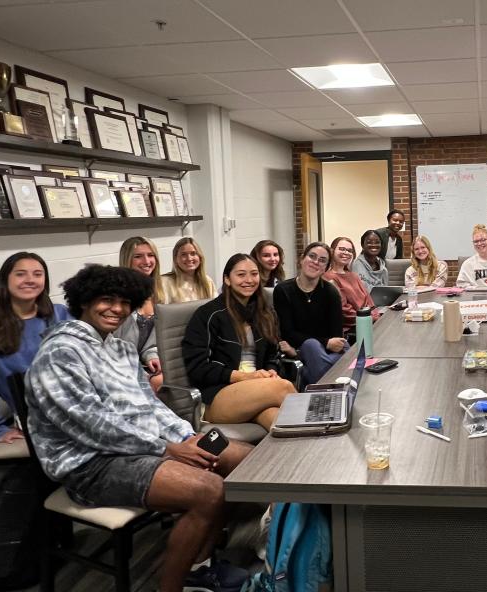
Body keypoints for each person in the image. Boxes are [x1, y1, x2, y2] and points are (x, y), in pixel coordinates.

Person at [25, 265, 251, 592]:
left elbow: (151, 406)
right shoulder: (61, 351)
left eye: (124, 302)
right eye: (106, 300)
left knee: (242, 458)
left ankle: (200, 565)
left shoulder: (121, 348)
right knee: (209, 490)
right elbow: (91, 425)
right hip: (89, 464)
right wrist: (166, 448)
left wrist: (186, 437)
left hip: (139, 448)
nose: (117, 309)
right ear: (84, 301)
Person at [0, 252, 70, 444]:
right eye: (20, 274)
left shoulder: (60, 314)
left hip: (80, 405)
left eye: (37, 274)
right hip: (37, 419)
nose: (30, 280)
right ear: (5, 280)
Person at [182, 254, 297, 431]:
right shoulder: (208, 314)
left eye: (254, 274)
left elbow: (273, 355)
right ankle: (322, 425)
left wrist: (271, 372)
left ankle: (297, 457)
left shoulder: (266, 313)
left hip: (258, 390)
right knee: (284, 388)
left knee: (280, 422)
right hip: (217, 395)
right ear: (227, 279)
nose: (249, 280)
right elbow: (198, 368)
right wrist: (244, 376)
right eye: (241, 275)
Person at [273, 243, 348, 386]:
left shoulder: (331, 292)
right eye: (312, 256)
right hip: (301, 348)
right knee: (311, 345)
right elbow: (287, 333)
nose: (315, 262)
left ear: (326, 268)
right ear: (301, 259)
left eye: (322, 260)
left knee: (344, 350)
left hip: (325, 353)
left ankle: (312, 381)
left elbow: (337, 337)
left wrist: (327, 344)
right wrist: (325, 342)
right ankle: (333, 387)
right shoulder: (283, 290)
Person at [116, 236, 164, 391]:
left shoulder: (158, 293)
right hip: (119, 366)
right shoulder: (118, 295)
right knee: (160, 382)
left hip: (141, 364)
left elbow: (151, 343)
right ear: (127, 260)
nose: (146, 261)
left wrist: (152, 356)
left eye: (150, 255)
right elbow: (111, 345)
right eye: (138, 256)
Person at [323, 237, 381, 338]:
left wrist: (375, 315)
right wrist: (368, 318)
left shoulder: (354, 276)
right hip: (352, 329)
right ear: (332, 251)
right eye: (341, 249)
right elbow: (344, 311)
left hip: (368, 321)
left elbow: (369, 301)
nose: (346, 252)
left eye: (350, 250)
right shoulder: (328, 278)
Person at [160, 237, 216, 303]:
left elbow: (215, 308)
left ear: (200, 257)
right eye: (183, 254)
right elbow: (162, 312)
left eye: (193, 253)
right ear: (175, 259)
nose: (189, 258)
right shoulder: (164, 282)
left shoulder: (207, 281)